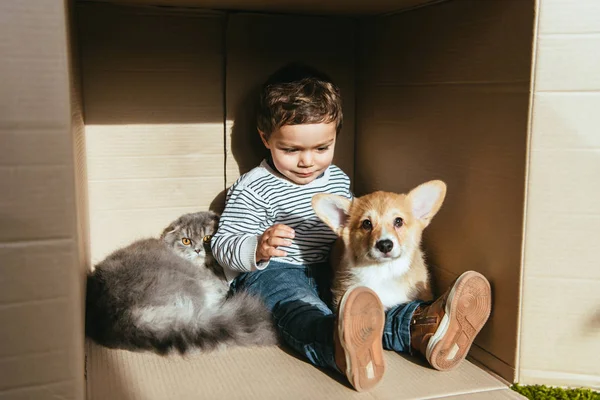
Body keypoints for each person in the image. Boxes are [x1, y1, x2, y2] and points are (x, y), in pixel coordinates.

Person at [211, 63, 492, 392]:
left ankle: (421, 327)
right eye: (291, 150)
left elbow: (357, 226)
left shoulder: (337, 180)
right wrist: (256, 247)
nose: (307, 161)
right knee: (300, 309)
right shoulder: (253, 187)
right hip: (275, 271)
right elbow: (222, 244)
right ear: (265, 138)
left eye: (321, 148)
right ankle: (337, 347)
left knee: (362, 315)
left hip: (328, 270)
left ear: (335, 138)